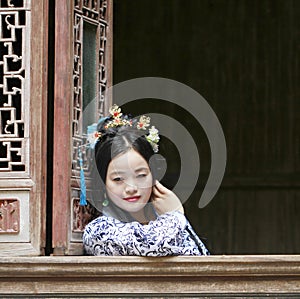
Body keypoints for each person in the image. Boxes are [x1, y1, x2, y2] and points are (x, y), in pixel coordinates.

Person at [82, 104, 209, 256]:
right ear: (103, 183)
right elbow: (153, 243)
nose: (131, 187)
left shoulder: (167, 221)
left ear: (153, 175)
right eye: (118, 179)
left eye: (141, 175)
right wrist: (176, 214)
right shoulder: (99, 231)